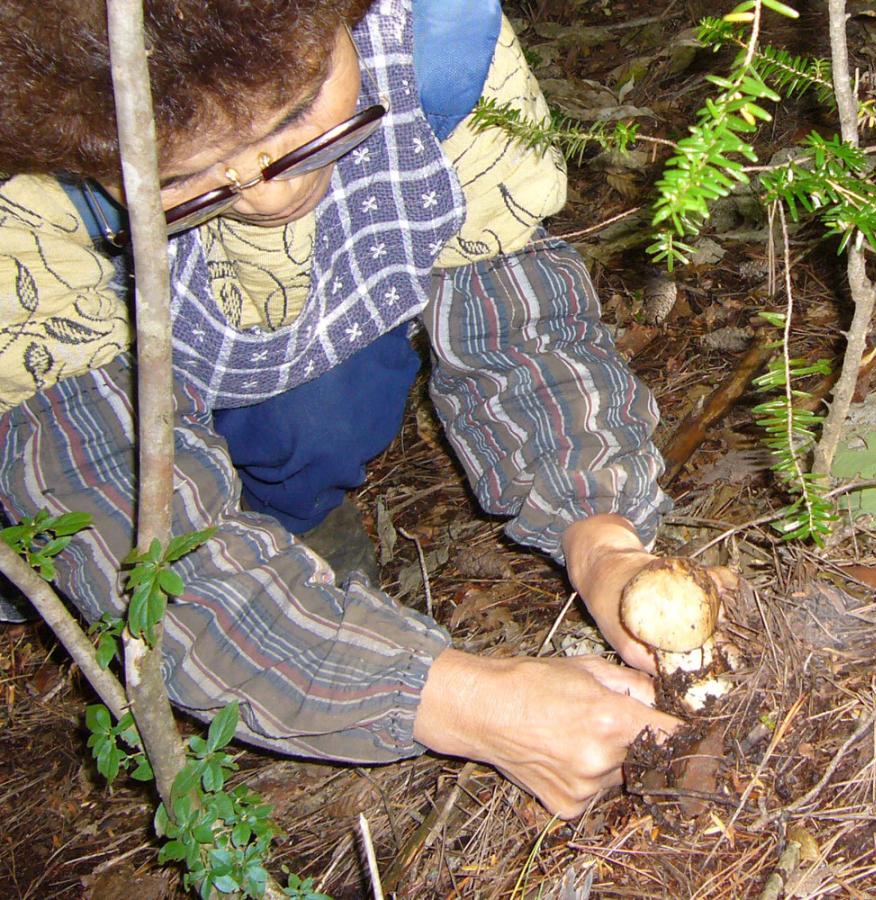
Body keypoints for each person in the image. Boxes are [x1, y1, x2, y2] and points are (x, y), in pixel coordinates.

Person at [0, 0, 691, 819]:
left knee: (326, 416)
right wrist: (460, 702)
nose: (274, 194)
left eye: (297, 115)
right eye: (180, 179)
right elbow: (128, 536)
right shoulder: (26, 200)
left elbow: (519, 329)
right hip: (77, 384)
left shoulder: (439, 50)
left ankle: (292, 516)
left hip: (270, 341)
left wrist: (602, 541)